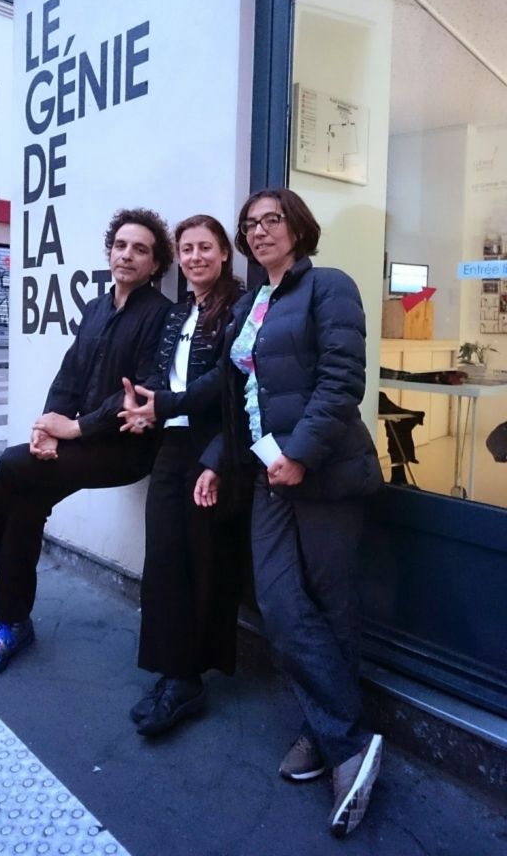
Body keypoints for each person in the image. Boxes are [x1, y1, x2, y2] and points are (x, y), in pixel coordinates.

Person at [193, 188, 384, 839]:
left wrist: (301, 453)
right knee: (278, 602)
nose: (259, 231)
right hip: (267, 473)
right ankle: (346, 736)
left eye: (271, 219)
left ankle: (329, 735)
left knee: (332, 603)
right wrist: (217, 460)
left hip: (323, 470)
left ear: (297, 227)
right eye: (250, 224)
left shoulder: (329, 286)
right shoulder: (252, 304)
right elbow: (239, 396)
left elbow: (342, 379)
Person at [0, 208, 174, 681]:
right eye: (121, 245)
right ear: (110, 251)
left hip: (125, 449)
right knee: (25, 503)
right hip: (80, 443)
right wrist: (46, 427)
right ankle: (12, 624)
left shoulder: (159, 316)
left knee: (11, 464)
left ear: (156, 263)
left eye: (140, 249)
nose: (127, 255)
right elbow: (69, 377)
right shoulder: (97, 308)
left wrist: (75, 429)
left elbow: (141, 394)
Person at [119, 215, 244, 736]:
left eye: (205, 248)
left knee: (204, 563)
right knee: (164, 561)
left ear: (224, 253)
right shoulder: (178, 311)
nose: (195, 257)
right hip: (171, 444)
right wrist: (140, 405)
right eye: (187, 249)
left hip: (211, 446)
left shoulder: (240, 306)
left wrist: (215, 457)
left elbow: (228, 385)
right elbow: (160, 374)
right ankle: (173, 671)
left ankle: (189, 678)